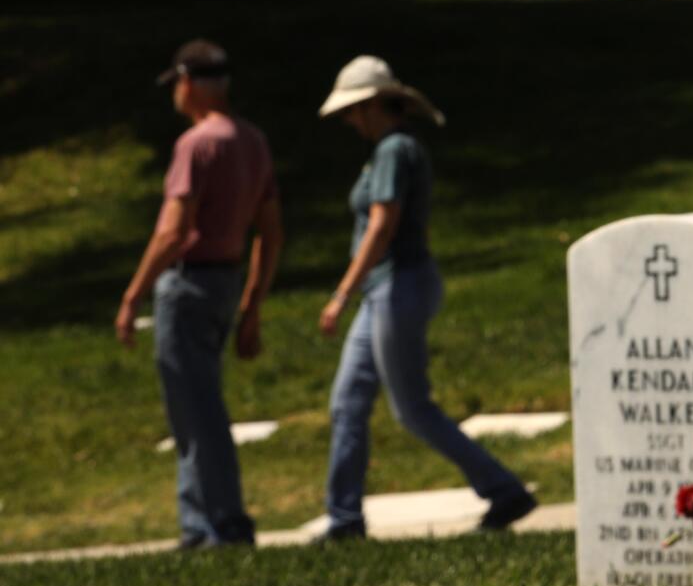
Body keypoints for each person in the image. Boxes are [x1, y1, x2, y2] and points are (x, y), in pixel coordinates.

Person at [316, 55, 538, 539]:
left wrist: (340, 295)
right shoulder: (389, 150)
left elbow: (382, 224)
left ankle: (504, 491)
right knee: (348, 401)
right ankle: (344, 518)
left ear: (376, 104)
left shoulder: (395, 148)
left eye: (355, 110)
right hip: (383, 290)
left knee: (412, 409)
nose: (351, 121)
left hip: (396, 287)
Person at [117, 40, 283, 549]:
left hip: (188, 284)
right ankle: (199, 525)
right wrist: (252, 306)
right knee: (200, 405)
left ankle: (221, 523)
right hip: (226, 282)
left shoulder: (195, 145)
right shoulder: (253, 141)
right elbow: (271, 232)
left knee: (194, 411)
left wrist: (133, 296)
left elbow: (172, 232)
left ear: (187, 84)